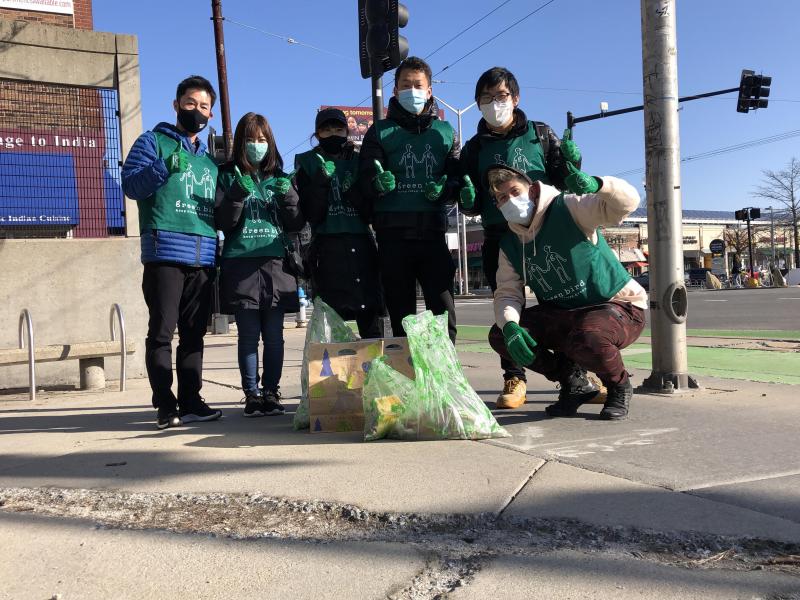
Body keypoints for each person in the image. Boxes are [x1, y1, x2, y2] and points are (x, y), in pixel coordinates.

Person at [459, 66, 592, 409]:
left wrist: (575, 166)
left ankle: (576, 376)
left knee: (560, 306)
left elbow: (566, 181)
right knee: (506, 307)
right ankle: (514, 376)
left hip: (546, 236)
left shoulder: (542, 134)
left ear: (516, 98)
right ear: (478, 105)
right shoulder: (473, 149)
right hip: (500, 237)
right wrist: (468, 200)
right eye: (486, 98)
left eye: (501, 96)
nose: (494, 104)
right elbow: (468, 200)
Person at [486, 164, 647, 420]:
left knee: (588, 336)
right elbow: (508, 292)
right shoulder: (510, 243)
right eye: (502, 198)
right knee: (499, 335)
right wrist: (509, 325)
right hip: (564, 313)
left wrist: (599, 185)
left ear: (532, 189)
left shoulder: (569, 208)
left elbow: (626, 204)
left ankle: (619, 384)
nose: (510, 200)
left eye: (515, 191)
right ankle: (574, 382)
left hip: (616, 305)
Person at [121, 75, 222, 430]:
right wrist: (163, 167)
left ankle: (192, 400)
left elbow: (219, 209)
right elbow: (131, 185)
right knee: (162, 333)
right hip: (165, 253)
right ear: (176, 104)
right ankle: (165, 404)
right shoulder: (153, 142)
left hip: (204, 257)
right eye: (191, 103)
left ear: (211, 114)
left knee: (194, 335)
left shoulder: (210, 162)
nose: (197, 111)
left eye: (205, 106)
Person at [356, 56, 459, 341]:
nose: (411, 90)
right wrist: (376, 183)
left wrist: (447, 189)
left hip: (433, 235)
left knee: (443, 314)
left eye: (418, 85)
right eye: (405, 85)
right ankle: (406, 377)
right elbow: (364, 181)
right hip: (392, 237)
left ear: (429, 91)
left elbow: (458, 177)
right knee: (401, 315)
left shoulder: (446, 132)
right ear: (395, 90)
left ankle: (446, 378)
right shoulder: (379, 132)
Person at [215, 112, 304, 417]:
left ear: (271, 143)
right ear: (241, 142)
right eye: (251, 139)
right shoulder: (226, 174)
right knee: (249, 335)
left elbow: (296, 223)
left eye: (262, 140)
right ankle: (251, 393)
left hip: (276, 264)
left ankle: (272, 391)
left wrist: (290, 197)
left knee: (275, 335)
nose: (257, 145)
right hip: (241, 263)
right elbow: (224, 222)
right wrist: (237, 195)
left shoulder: (279, 177)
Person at [295, 108, 382, 338]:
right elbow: (312, 214)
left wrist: (354, 190)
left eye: (338, 128)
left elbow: (370, 212)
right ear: (317, 133)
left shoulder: (360, 159)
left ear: (347, 130)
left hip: (361, 246)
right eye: (326, 129)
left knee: (370, 318)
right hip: (327, 249)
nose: (333, 133)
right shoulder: (307, 163)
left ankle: (375, 369)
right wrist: (321, 182)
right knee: (331, 323)